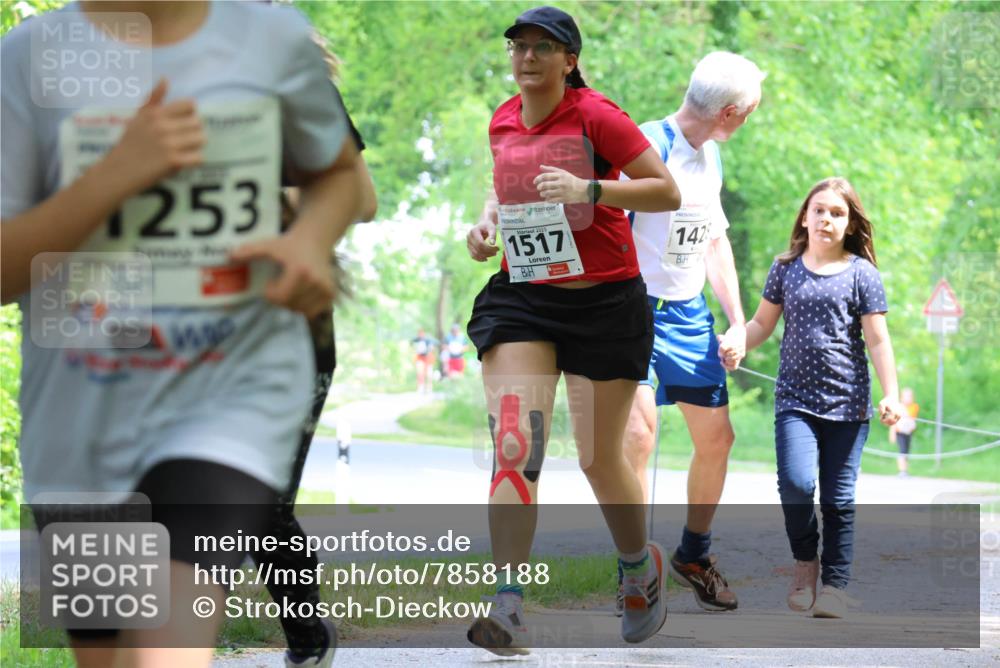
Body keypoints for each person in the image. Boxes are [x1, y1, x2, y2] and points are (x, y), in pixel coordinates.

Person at [1, 2, 360, 666]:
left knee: (169, 643)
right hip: (85, 402)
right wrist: (117, 174)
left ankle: (306, 631)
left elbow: (348, 184)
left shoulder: (270, 47)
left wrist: (306, 241)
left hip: (232, 375)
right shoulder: (28, 60)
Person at [464, 6, 681, 655]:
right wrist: (484, 224)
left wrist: (590, 188)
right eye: (518, 46)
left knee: (597, 457)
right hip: (525, 298)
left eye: (542, 47)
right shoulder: (503, 118)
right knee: (514, 446)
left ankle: (638, 566)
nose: (527, 57)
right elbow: (505, 189)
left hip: (604, 304)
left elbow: (664, 191)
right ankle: (509, 604)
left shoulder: (597, 116)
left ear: (570, 59)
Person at [251, 29, 378, 668]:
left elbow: (364, 196)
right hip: (189, 330)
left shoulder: (302, 93)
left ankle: (307, 635)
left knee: (261, 506)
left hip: (290, 329)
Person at [622, 51, 764, 614]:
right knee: (639, 436)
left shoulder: (711, 158)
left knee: (717, 439)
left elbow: (713, 240)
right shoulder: (643, 146)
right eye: (749, 111)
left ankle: (693, 555)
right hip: (631, 311)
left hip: (688, 315)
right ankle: (632, 570)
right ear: (730, 112)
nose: (750, 119)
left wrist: (736, 321)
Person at [733, 177, 904, 619]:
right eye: (819, 210)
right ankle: (805, 564)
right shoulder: (785, 267)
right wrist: (735, 342)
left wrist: (893, 396)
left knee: (838, 498)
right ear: (805, 217)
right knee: (796, 484)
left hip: (848, 404)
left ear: (850, 225)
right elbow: (761, 325)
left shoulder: (862, 274)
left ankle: (836, 587)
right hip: (795, 401)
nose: (826, 219)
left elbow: (878, 340)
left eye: (837, 213)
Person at [889, 387, 919, 477]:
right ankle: (902, 470)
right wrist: (892, 434)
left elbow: (912, 417)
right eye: (906, 396)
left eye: (910, 396)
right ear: (902, 398)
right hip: (900, 432)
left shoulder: (914, 407)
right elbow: (893, 422)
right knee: (902, 451)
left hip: (908, 432)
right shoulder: (898, 407)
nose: (908, 398)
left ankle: (905, 470)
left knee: (906, 451)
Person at [411, 327, 437, 393]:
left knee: (429, 373)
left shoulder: (428, 340)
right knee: (420, 372)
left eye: (422, 333)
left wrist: (429, 351)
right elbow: (413, 346)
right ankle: (420, 387)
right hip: (419, 357)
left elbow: (432, 348)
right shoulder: (415, 340)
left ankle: (429, 388)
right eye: (419, 333)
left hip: (428, 358)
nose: (420, 334)